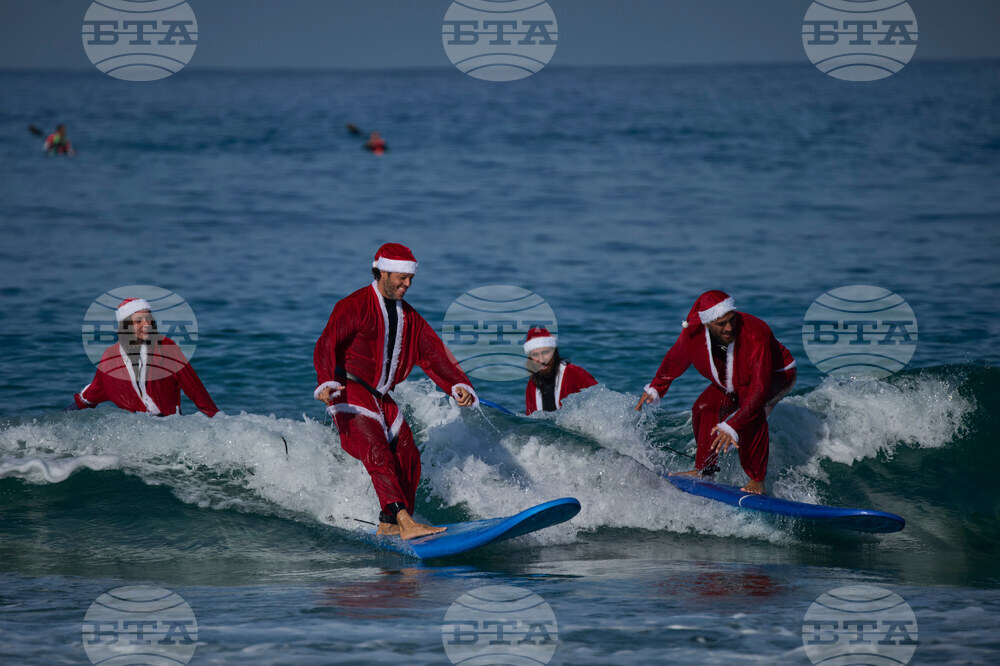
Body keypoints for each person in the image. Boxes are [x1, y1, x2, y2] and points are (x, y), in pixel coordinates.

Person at [313, 243, 478, 540]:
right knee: (377, 452)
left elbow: (432, 353)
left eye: (411, 278)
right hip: (348, 389)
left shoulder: (409, 316)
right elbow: (327, 343)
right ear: (383, 271)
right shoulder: (353, 305)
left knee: (406, 453)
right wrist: (325, 382)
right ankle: (405, 523)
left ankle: (389, 522)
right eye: (402, 278)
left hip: (380, 396)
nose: (407, 284)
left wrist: (457, 385)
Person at [635, 291, 796, 494]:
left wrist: (734, 424)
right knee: (704, 408)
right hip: (734, 379)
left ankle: (757, 480)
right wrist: (657, 387)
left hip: (775, 375)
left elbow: (759, 387)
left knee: (751, 414)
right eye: (721, 324)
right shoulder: (693, 334)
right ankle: (705, 470)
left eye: (731, 320)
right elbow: (676, 358)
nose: (729, 328)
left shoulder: (755, 332)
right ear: (707, 323)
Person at [69, 299, 219, 417]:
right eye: (138, 321)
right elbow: (91, 394)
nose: (147, 325)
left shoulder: (166, 347)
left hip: (170, 428)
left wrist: (216, 419)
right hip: (135, 434)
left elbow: (194, 387)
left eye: (149, 319)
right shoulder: (110, 357)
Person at [523, 327, 597, 415]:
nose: (541, 360)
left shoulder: (575, 374)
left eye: (545, 352)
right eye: (535, 354)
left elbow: (600, 400)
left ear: (555, 352)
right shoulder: (532, 386)